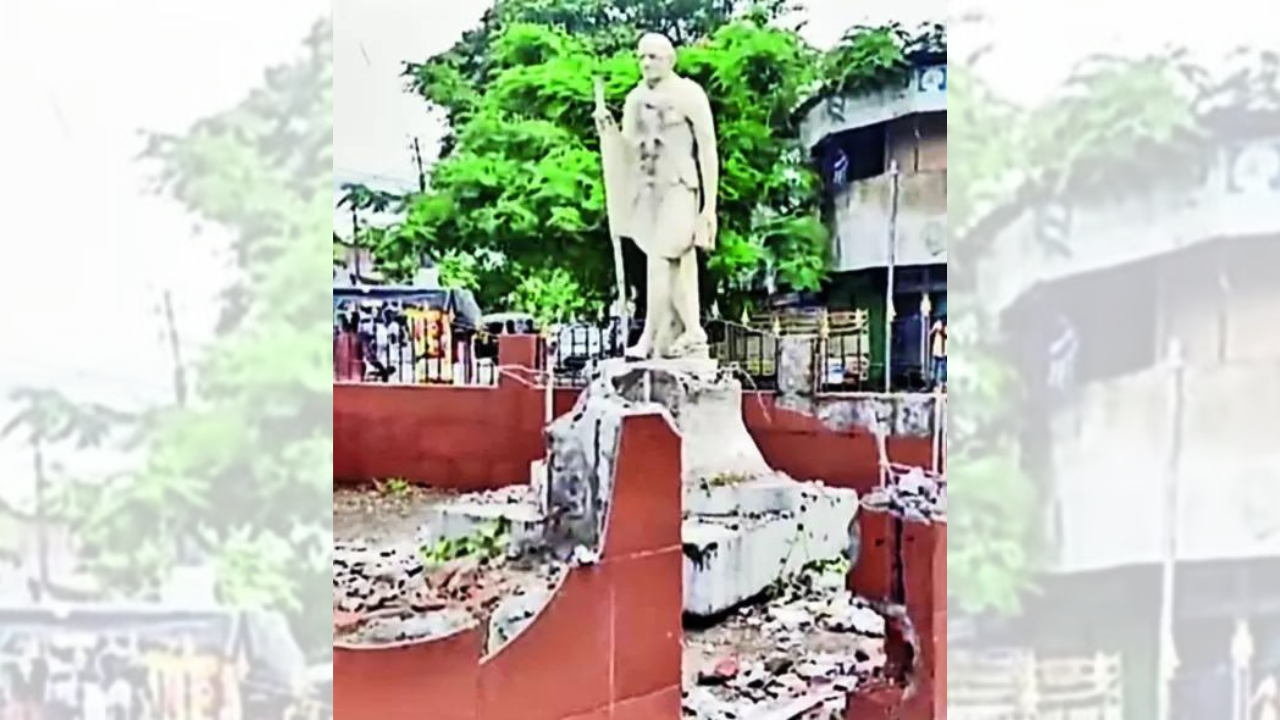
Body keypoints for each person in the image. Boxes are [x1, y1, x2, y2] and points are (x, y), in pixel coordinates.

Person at [594, 33, 719, 359]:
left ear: (670, 60)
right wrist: (607, 132)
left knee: (662, 257)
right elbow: (628, 150)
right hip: (651, 192)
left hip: (681, 186)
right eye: (642, 57)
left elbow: (707, 149)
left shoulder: (689, 94)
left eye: (654, 57)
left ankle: (649, 337)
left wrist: (709, 207)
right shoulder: (635, 100)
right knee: (679, 267)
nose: (647, 63)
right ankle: (693, 332)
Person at [928, 318, 947, 390]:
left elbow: (946, 336)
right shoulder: (937, 324)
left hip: (944, 352)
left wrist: (940, 330)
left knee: (943, 369)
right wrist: (934, 329)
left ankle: (943, 385)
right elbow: (930, 334)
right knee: (934, 369)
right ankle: (933, 385)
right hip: (937, 351)